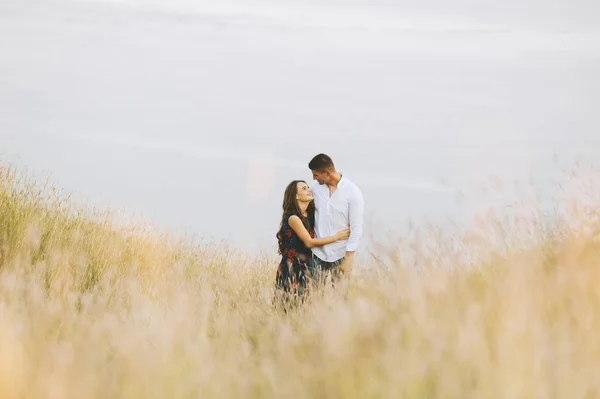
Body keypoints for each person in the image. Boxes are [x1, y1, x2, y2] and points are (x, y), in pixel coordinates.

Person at [274, 180, 350, 309]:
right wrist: (336, 237)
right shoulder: (293, 218)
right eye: (304, 188)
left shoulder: (311, 215)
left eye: (308, 187)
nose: (309, 190)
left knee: (306, 306)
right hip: (292, 268)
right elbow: (309, 242)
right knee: (287, 307)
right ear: (296, 196)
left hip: (307, 266)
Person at [308, 154, 364, 289]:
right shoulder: (315, 189)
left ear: (327, 173)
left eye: (316, 175)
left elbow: (356, 228)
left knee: (339, 298)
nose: (314, 178)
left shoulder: (352, 192)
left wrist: (348, 258)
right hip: (317, 253)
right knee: (312, 297)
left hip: (340, 254)